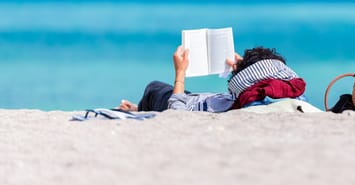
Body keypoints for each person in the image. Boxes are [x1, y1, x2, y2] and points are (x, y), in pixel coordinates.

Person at [119, 45, 306, 112]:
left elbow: (176, 111)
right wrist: (243, 67)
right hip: (211, 100)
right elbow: (265, 76)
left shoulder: (244, 101)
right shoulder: (292, 93)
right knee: (189, 94)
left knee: (154, 88)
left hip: (192, 104)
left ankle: (139, 109)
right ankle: (139, 107)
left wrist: (180, 73)